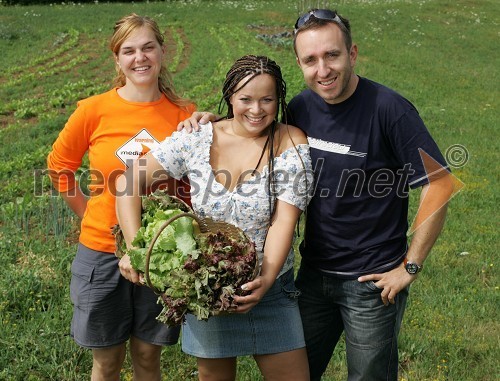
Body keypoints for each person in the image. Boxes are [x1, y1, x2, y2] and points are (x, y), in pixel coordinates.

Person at [178, 9, 455, 381]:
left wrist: (410, 266)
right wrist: (210, 119)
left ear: (352, 53)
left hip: (371, 284)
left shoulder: (389, 110)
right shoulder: (301, 108)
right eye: (311, 60)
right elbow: (254, 124)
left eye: (332, 55)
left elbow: (439, 182)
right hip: (311, 277)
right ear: (300, 63)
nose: (322, 69)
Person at [115, 55, 313, 381]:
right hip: (208, 293)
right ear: (230, 96)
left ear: (279, 100)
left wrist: (264, 282)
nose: (257, 109)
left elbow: (283, 222)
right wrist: (138, 250)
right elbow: (128, 181)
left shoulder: (289, 141)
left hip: (271, 290)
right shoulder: (198, 138)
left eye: (267, 100)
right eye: (245, 99)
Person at [47, 13, 194, 381]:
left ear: (162, 51)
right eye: (128, 51)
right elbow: (59, 166)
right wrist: (87, 215)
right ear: (117, 59)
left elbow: (193, 184)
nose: (139, 58)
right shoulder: (94, 110)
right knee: (107, 361)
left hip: (160, 253)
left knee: (147, 356)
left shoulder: (183, 115)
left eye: (148, 47)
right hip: (101, 253)